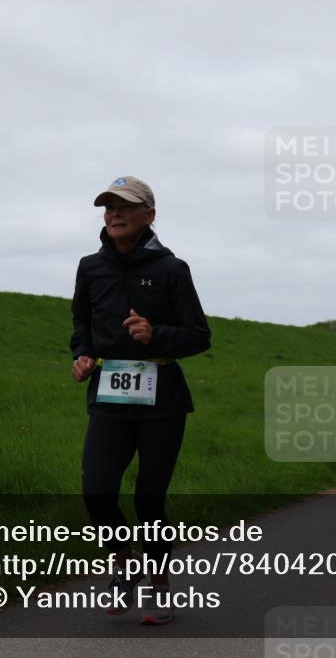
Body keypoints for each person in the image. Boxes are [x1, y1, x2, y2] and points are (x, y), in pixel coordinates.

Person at [71, 175, 212, 624]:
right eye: (108, 207)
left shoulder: (172, 270)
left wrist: (156, 335)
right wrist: (83, 355)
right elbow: (80, 324)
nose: (114, 213)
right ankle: (125, 564)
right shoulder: (90, 268)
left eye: (124, 206)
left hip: (162, 401)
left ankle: (159, 588)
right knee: (96, 492)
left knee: (150, 500)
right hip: (109, 398)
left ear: (149, 216)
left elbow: (199, 336)